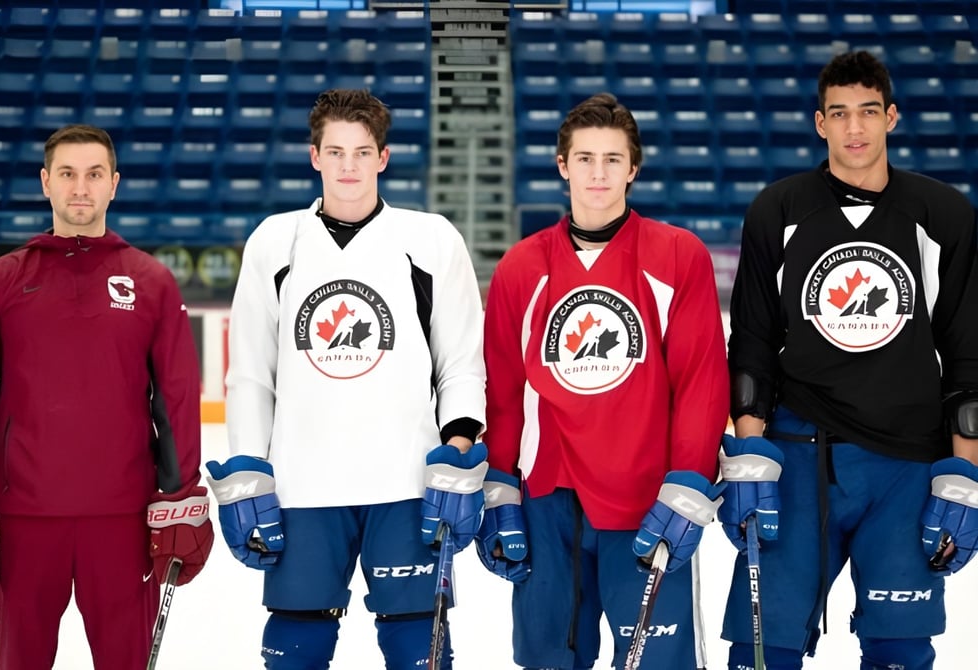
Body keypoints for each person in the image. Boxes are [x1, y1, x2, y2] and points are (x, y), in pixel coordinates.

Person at [209, 88, 487, 669]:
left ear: (383, 158)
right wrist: (248, 468)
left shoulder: (431, 239)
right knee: (296, 644)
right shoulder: (274, 241)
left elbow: (460, 362)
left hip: (406, 484)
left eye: (362, 152)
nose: (348, 166)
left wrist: (458, 453)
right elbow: (252, 373)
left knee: (419, 641)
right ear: (315, 156)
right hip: (303, 485)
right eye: (335, 152)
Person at [721, 50, 978, 670]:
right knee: (763, 650)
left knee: (900, 648)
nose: (855, 129)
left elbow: (968, 352)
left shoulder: (943, 216)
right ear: (820, 123)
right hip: (800, 456)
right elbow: (751, 342)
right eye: (840, 114)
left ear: (891, 117)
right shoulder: (777, 211)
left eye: (868, 112)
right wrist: (751, 455)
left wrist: (964, 474)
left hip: (906, 466)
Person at [479, 92, 729, 669]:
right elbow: (505, 389)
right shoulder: (521, 266)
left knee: (657, 663)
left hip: (649, 501)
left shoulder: (676, 255)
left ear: (633, 169)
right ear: (562, 165)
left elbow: (700, 380)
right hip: (549, 503)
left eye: (613, 159)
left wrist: (689, 481)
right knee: (548, 660)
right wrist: (500, 490)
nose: (598, 172)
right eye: (585, 158)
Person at [0, 124, 214, 669]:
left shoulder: (151, 281)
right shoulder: (0, 281)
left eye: (93, 174)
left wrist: (178, 497)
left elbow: (175, 399)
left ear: (114, 184)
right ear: (45, 183)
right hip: (24, 520)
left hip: (123, 521)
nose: (79, 187)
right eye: (66, 174)